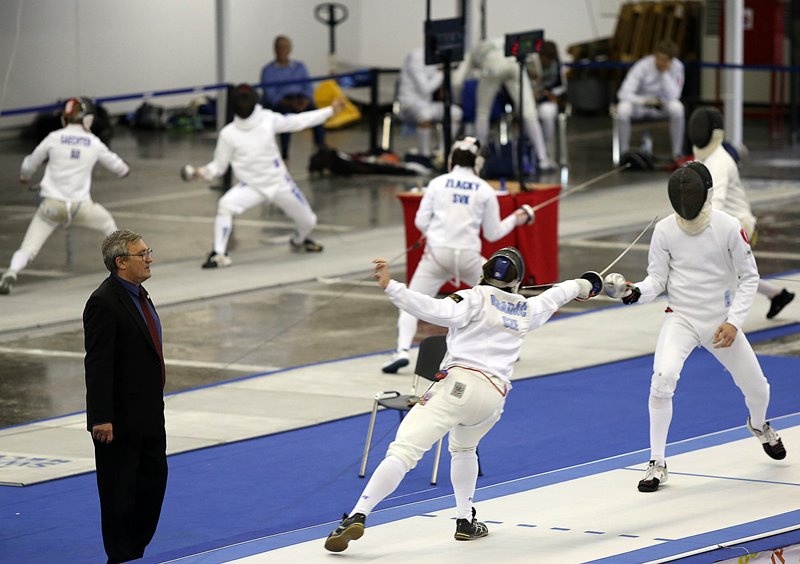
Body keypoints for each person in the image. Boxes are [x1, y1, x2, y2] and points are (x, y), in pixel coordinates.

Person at [324, 247, 595, 552]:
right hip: (493, 399)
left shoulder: (472, 298)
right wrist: (589, 284)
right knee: (464, 448)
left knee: (403, 451)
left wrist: (391, 286)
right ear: (517, 281)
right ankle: (465, 520)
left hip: (459, 387)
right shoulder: (526, 309)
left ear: (484, 272)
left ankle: (358, 515)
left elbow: (431, 308)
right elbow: (562, 292)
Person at [610, 162, 786, 493]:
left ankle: (759, 424)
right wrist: (635, 292)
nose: (685, 201)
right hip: (682, 318)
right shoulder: (664, 230)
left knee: (759, 390)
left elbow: (749, 277)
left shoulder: (728, 226)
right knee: (662, 379)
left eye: (691, 193)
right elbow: (656, 280)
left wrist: (733, 322)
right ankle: (656, 462)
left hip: (721, 321)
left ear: (706, 193)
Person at [381, 136, 536, 373]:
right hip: (468, 257)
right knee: (499, 296)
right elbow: (493, 233)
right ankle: (507, 348)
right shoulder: (484, 189)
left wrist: (431, 233)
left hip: (437, 255)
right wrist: (516, 218)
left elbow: (420, 221)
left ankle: (402, 351)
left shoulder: (437, 183)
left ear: (452, 159)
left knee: (411, 299)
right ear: (477, 162)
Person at [181, 83, 344, 268]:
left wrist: (330, 111)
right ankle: (218, 254)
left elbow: (298, 121)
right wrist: (201, 172)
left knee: (308, 221)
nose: (243, 105)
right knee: (226, 205)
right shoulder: (229, 134)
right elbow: (218, 167)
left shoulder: (267, 119)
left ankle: (298, 241)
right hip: (252, 186)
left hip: (280, 183)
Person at [83, 228, 168, 562]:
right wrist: (101, 417)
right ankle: (120, 556)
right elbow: (98, 364)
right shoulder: (103, 302)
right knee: (119, 496)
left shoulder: (141, 295)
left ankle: (133, 551)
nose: (149, 259)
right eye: (142, 254)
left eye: (149, 252)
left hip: (149, 413)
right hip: (118, 421)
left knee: (153, 485)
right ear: (120, 261)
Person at [0, 97, 130, 295]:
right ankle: (126, 269)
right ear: (88, 119)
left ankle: (11, 273)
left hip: (52, 207)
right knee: (108, 225)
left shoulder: (54, 137)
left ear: (65, 118)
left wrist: (25, 178)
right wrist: (125, 169)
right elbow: (120, 168)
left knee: (29, 248)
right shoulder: (93, 142)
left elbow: (28, 164)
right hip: (82, 207)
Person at [688, 106, 795, 319]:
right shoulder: (706, 159)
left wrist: (697, 230)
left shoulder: (719, 162)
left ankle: (719, 319)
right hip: (729, 222)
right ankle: (777, 295)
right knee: (733, 271)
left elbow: (715, 203)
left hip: (738, 225)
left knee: (716, 270)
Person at [453, 38, 556, 172]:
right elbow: (532, 57)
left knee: (482, 114)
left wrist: (457, 101)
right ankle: (543, 159)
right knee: (529, 113)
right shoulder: (499, 41)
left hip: (492, 66)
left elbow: (457, 81)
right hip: (513, 64)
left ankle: (479, 158)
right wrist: (537, 74)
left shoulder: (472, 52)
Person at [615, 39, 685, 161]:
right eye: (659, 59)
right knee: (623, 109)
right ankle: (624, 154)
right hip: (640, 106)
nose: (660, 63)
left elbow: (675, 95)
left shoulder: (677, 67)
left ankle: (677, 153)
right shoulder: (642, 66)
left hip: (661, 106)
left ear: (671, 60)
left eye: (664, 60)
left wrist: (665, 74)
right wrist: (644, 101)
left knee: (677, 108)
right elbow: (623, 93)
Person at [259, 35, 327, 160]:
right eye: (279, 48)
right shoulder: (268, 70)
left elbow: (308, 86)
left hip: (301, 99)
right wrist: (289, 103)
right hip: (282, 103)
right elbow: (270, 94)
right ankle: (285, 151)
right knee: (285, 116)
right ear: (274, 50)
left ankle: (321, 147)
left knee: (316, 114)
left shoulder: (300, 67)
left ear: (290, 50)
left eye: (285, 48)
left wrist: (306, 101)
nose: (282, 51)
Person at [397, 47, 463, 162]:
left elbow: (443, 92)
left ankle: (441, 154)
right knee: (425, 114)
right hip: (408, 105)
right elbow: (425, 89)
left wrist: (447, 74)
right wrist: (442, 72)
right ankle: (424, 155)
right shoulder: (416, 58)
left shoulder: (438, 58)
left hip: (427, 104)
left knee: (456, 113)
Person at [528, 40, 566, 162]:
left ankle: (547, 152)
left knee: (547, 113)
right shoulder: (531, 65)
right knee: (528, 117)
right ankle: (531, 153)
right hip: (531, 101)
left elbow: (561, 87)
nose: (545, 60)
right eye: (543, 57)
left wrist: (548, 93)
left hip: (547, 102)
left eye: (548, 58)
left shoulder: (556, 67)